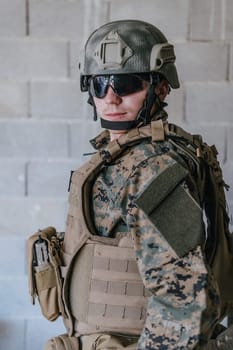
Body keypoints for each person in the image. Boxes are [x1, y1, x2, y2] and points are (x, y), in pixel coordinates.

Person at [28, 19, 233, 350]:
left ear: (161, 87)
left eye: (125, 84)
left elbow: (184, 300)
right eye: (99, 84)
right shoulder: (124, 156)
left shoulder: (153, 170)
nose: (111, 98)